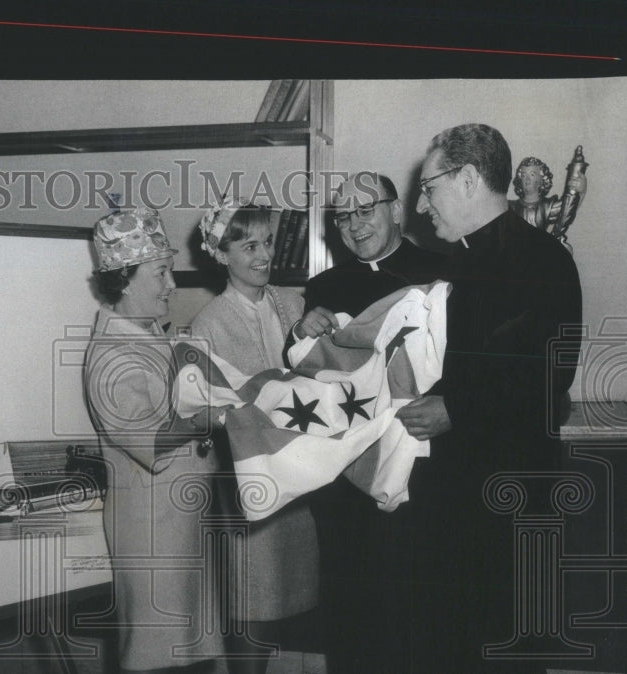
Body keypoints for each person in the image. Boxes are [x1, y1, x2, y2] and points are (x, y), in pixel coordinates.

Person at [401, 123, 582, 672]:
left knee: (505, 648)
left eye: (428, 187)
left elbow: (549, 377)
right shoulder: (447, 261)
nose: (420, 203)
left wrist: (457, 409)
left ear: (468, 179)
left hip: (512, 500)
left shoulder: (544, 260)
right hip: (454, 502)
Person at [295, 172, 446, 673]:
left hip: (423, 476)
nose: (355, 224)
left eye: (367, 210)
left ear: (397, 210)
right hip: (346, 485)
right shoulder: (322, 289)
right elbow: (306, 380)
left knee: (423, 620)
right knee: (352, 622)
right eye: (344, 215)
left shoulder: (445, 270)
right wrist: (302, 331)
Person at [84, 206, 226, 674]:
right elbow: (150, 440)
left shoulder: (149, 335)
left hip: (180, 527)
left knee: (192, 654)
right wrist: (218, 414)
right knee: (156, 657)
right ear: (123, 278)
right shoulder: (110, 357)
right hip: (152, 537)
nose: (172, 285)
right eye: (161, 272)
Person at [189, 199, 318, 674]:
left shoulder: (293, 304)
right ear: (221, 255)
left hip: (302, 485)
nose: (264, 255)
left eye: (267, 242)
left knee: (291, 602)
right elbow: (205, 415)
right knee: (252, 608)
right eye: (249, 246)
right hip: (248, 488)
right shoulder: (207, 325)